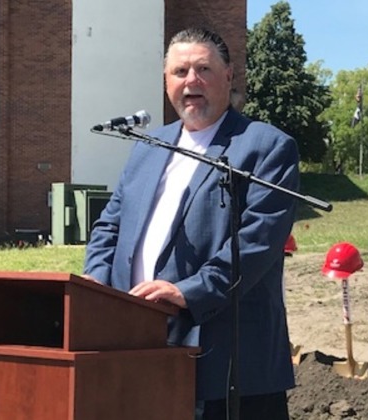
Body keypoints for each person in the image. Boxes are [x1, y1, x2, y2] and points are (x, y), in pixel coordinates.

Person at [83, 28, 299, 419]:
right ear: (166, 80)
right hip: (138, 351)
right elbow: (109, 226)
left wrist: (188, 292)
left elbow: (257, 244)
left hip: (227, 364)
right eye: (180, 71)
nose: (191, 81)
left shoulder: (265, 146)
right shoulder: (148, 147)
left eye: (203, 69)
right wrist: (96, 284)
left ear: (229, 76)